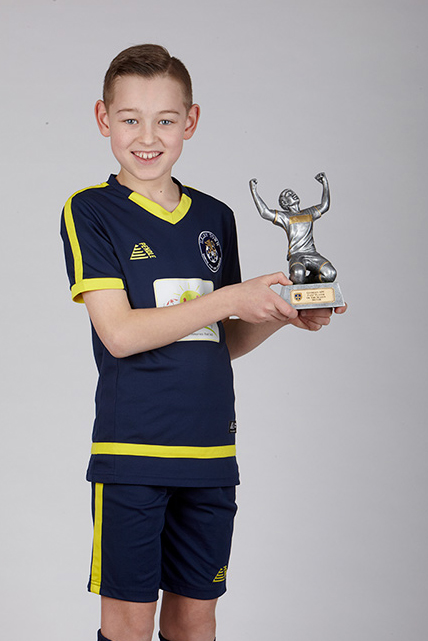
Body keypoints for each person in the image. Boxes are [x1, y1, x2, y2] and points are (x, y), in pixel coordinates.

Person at [60, 44, 346, 641]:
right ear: (102, 118)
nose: (148, 136)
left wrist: (279, 314)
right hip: (133, 455)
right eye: (130, 118)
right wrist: (229, 297)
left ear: (189, 121)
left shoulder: (215, 216)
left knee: (196, 621)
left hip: (212, 455)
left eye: (165, 119)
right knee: (130, 624)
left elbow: (223, 338)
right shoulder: (90, 211)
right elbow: (118, 335)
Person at [250, 173, 337, 284]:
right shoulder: (285, 217)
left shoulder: (309, 213)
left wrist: (325, 183)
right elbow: (265, 212)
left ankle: (309, 282)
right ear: (285, 203)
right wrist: (254, 191)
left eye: (292, 192)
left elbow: (325, 205)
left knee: (330, 274)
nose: (293, 194)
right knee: (297, 275)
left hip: (312, 254)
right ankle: (300, 284)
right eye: (288, 194)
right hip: (297, 255)